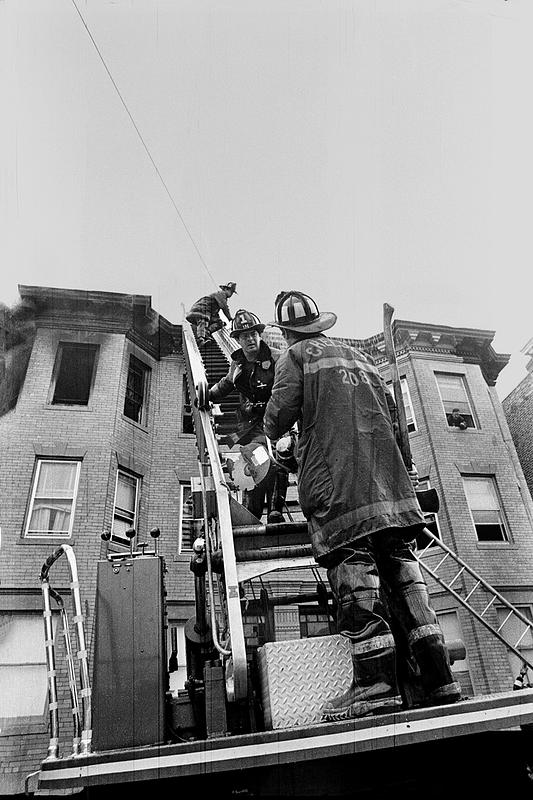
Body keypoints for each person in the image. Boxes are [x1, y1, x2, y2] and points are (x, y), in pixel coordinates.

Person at [263, 290, 461, 721]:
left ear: (286, 332)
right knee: (406, 583)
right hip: (389, 489)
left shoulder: (295, 358)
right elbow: (392, 420)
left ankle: (375, 687)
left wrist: (279, 438)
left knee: (357, 587)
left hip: (341, 493)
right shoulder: (362, 358)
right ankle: (440, 678)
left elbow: (279, 415)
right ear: (319, 322)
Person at [208, 309, 289, 524]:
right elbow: (226, 384)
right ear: (238, 339)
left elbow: (290, 386)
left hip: (278, 419)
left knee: (275, 458)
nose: (250, 339)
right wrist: (207, 395)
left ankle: (274, 511)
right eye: (245, 336)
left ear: (259, 335)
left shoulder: (277, 358)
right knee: (257, 458)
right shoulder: (238, 363)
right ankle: (254, 514)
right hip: (250, 425)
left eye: (253, 334)